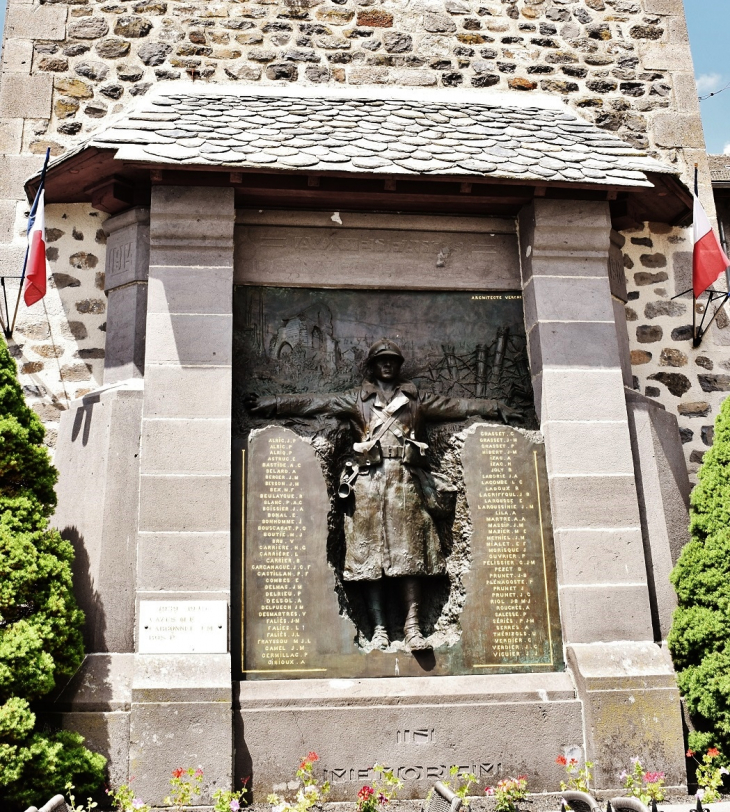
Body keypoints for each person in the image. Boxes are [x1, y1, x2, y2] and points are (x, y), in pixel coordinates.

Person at [245, 338, 522, 652]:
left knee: (411, 556)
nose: (387, 364)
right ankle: (378, 630)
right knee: (369, 558)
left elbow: (457, 407)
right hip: (367, 486)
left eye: (392, 360)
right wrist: (269, 404)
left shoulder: (416, 401)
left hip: (405, 483)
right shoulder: (356, 401)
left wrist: (497, 407)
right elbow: (314, 403)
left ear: (399, 365)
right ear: (373, 366)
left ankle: (413, 628)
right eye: (381, 360)